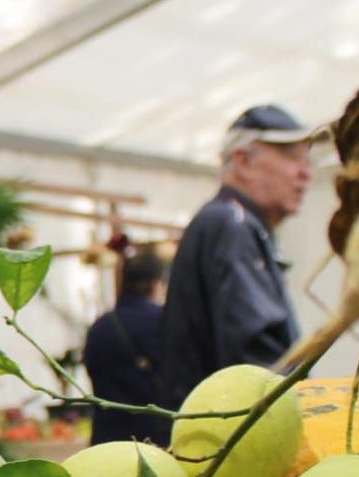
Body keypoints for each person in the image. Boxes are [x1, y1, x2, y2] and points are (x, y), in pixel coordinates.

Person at [159, 104, 315, 408]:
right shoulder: (232, 224)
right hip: (234, 436)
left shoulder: (231, 222)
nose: (306, 172)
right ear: (242, 161)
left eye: (308, 160)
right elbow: (259, 360)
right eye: (291, 156)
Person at [84, 249, 171, 446]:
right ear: (156, 283)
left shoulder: (99, 327)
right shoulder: (163, 321)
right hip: (152, 440)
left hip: (106, 441)